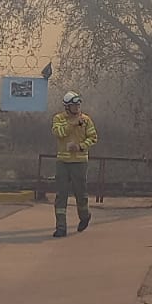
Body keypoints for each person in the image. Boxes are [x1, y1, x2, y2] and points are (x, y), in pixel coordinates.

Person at [50, 91, 96, 238]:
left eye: (78, 105)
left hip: (80, 162)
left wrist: (81, 146)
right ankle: (61, 227)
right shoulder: (59, 118)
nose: (77, 108)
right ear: (67, 107)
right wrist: (73, 123)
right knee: (61, 194)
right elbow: (59, 133)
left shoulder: (86, 120)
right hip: (63, 162)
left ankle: (84, 216)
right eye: (74, 105)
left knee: (80, 194)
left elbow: (93, 137)